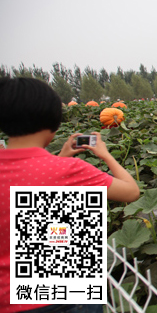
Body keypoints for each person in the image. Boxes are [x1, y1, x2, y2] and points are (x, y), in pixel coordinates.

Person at [0, 77, 140, 313]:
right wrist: (105, 155)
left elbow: (31, 182)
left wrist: (60, 158)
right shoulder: (70, 171)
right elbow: (131, 192)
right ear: (54, 122)